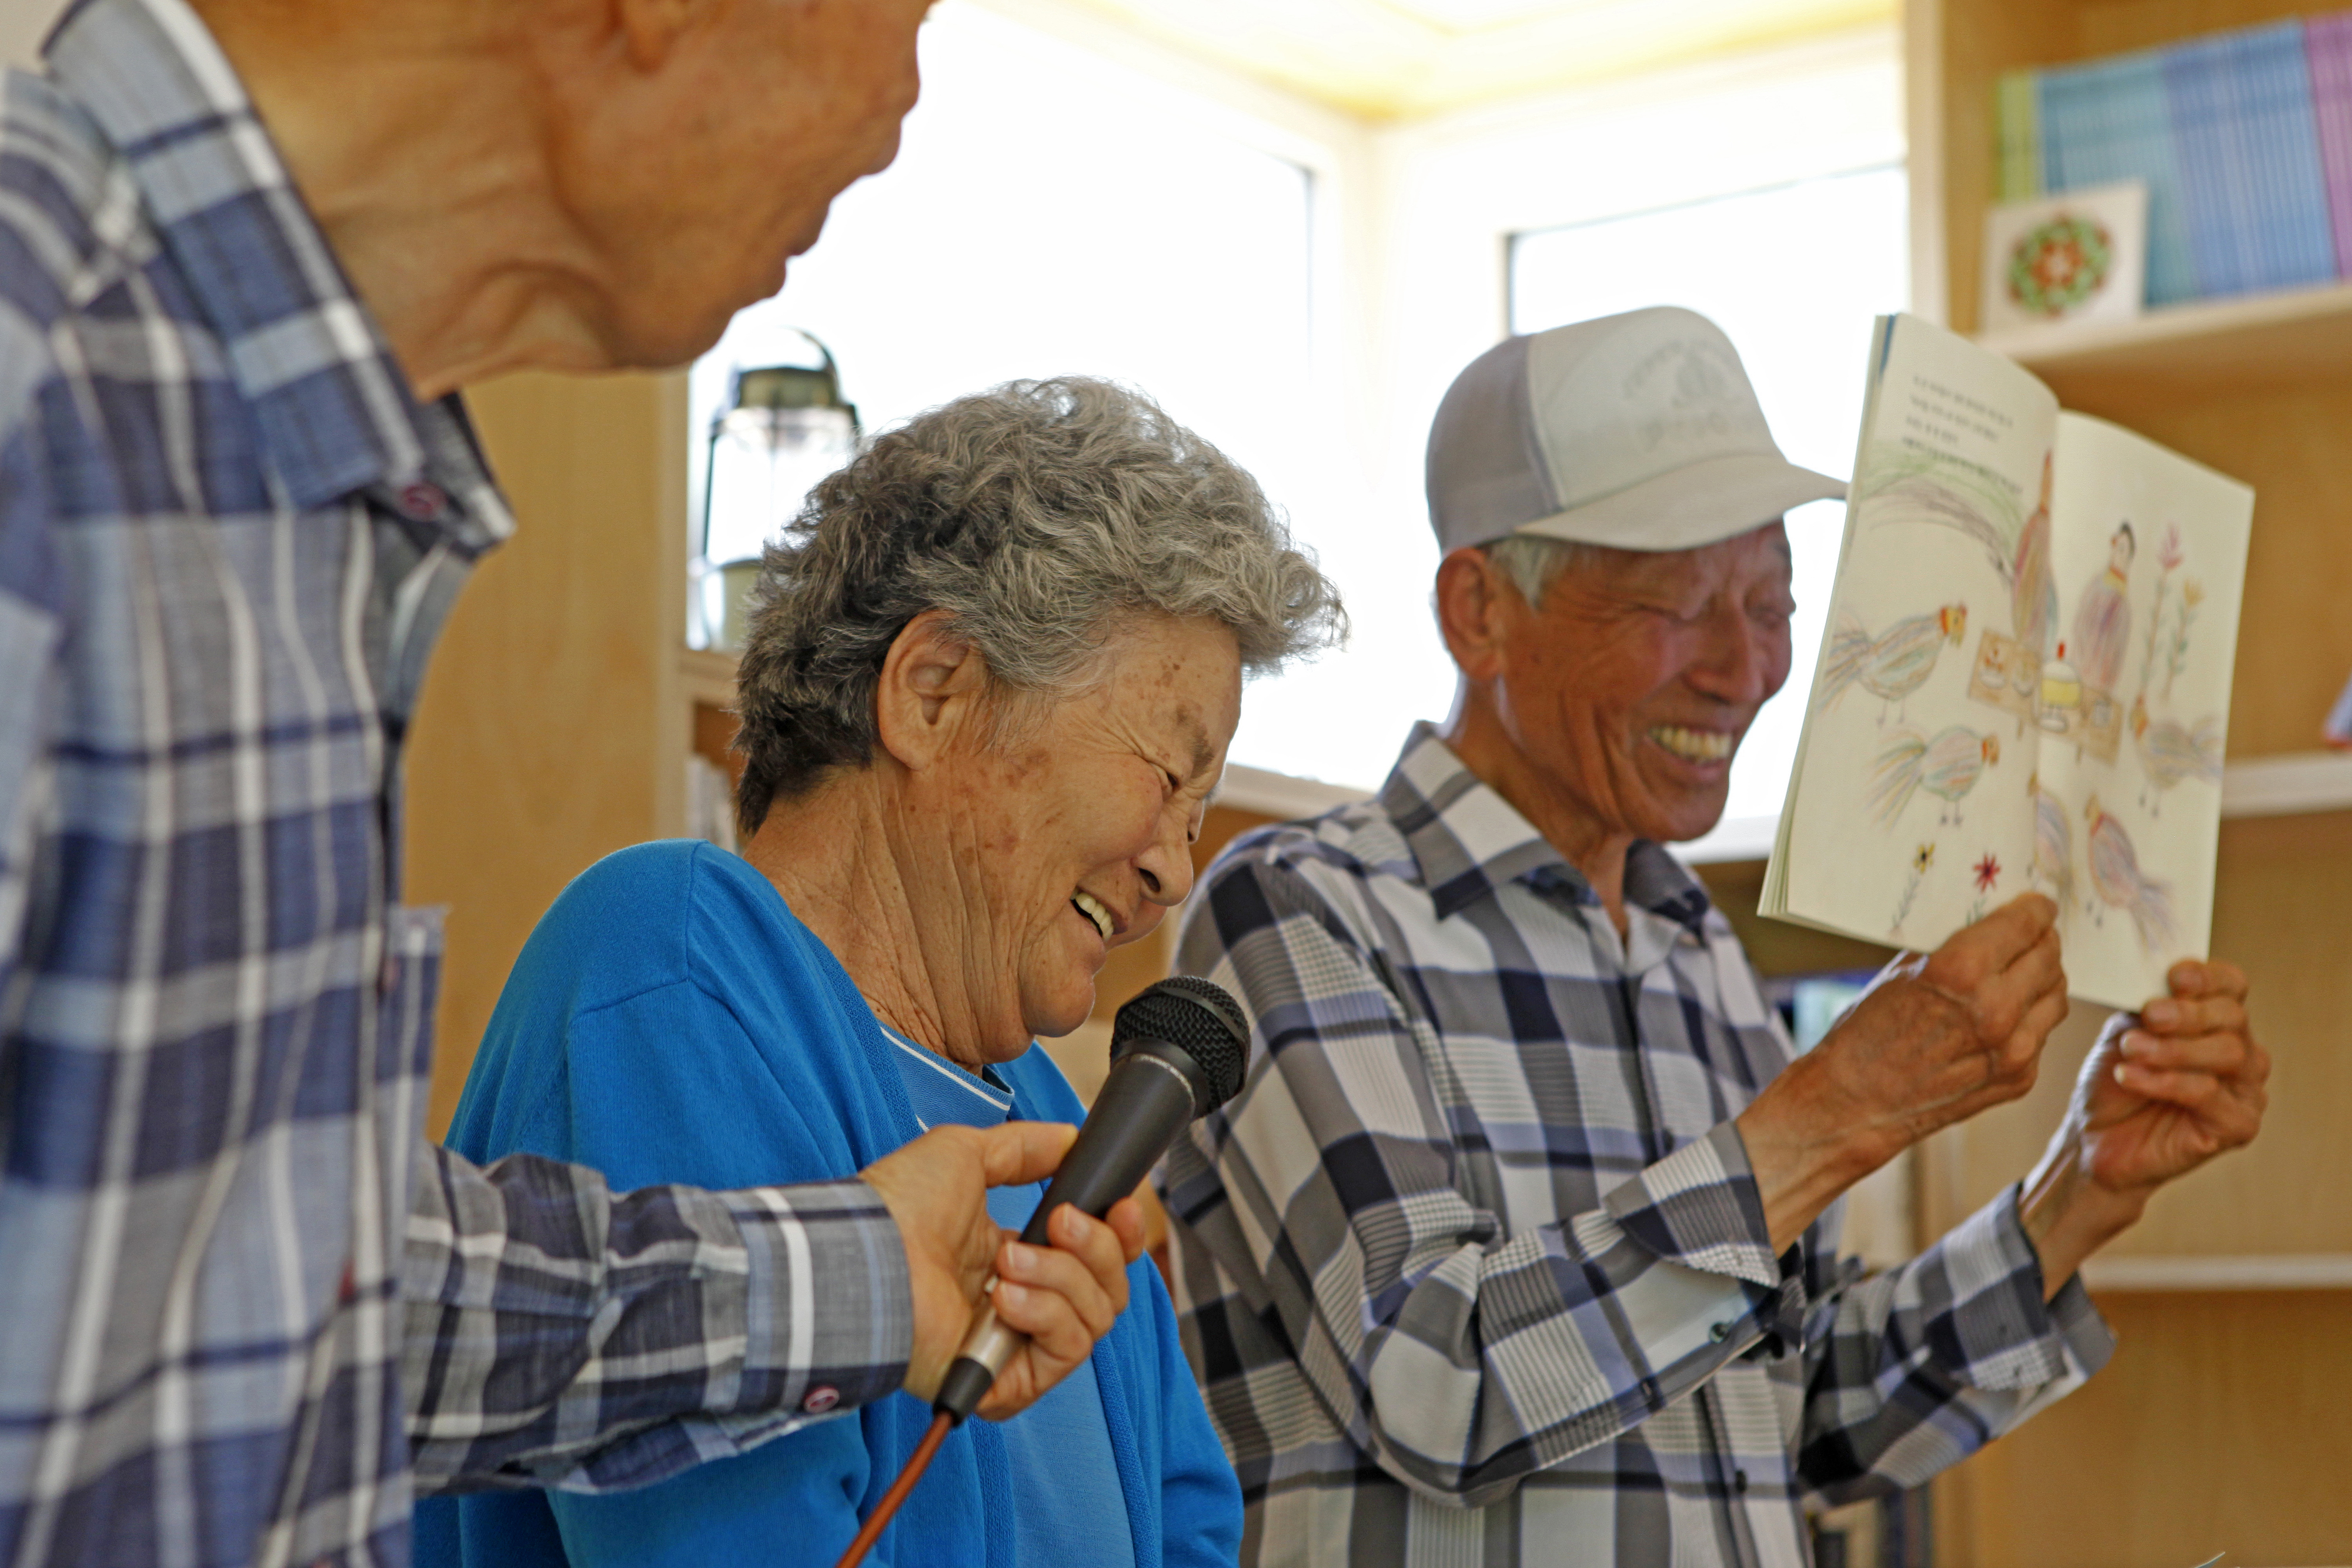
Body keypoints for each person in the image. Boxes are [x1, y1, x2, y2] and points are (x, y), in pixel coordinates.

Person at [0, 2, 1147, 1564]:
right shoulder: (32, 352)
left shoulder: (271, 469)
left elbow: (271, 1282)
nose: (900, 108)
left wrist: (868, 1275)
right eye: (909, 12)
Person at [1157, 307, 2270, 1566]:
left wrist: (2080, 1187)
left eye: (1772, 602)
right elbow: (1432, 1381)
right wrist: (1829, 1115)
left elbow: (1795, 1428)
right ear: (1478, 613)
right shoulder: (1299, 912)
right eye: (1674, 607)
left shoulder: (1696, 956)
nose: (1744, 668)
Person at [416, 376, 1340, 1567]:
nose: (1172, 868)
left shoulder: (1058, 1123)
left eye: (1204, 810)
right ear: (933, 691)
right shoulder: (673, 958)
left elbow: (1190, 1526)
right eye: (1168, 777)